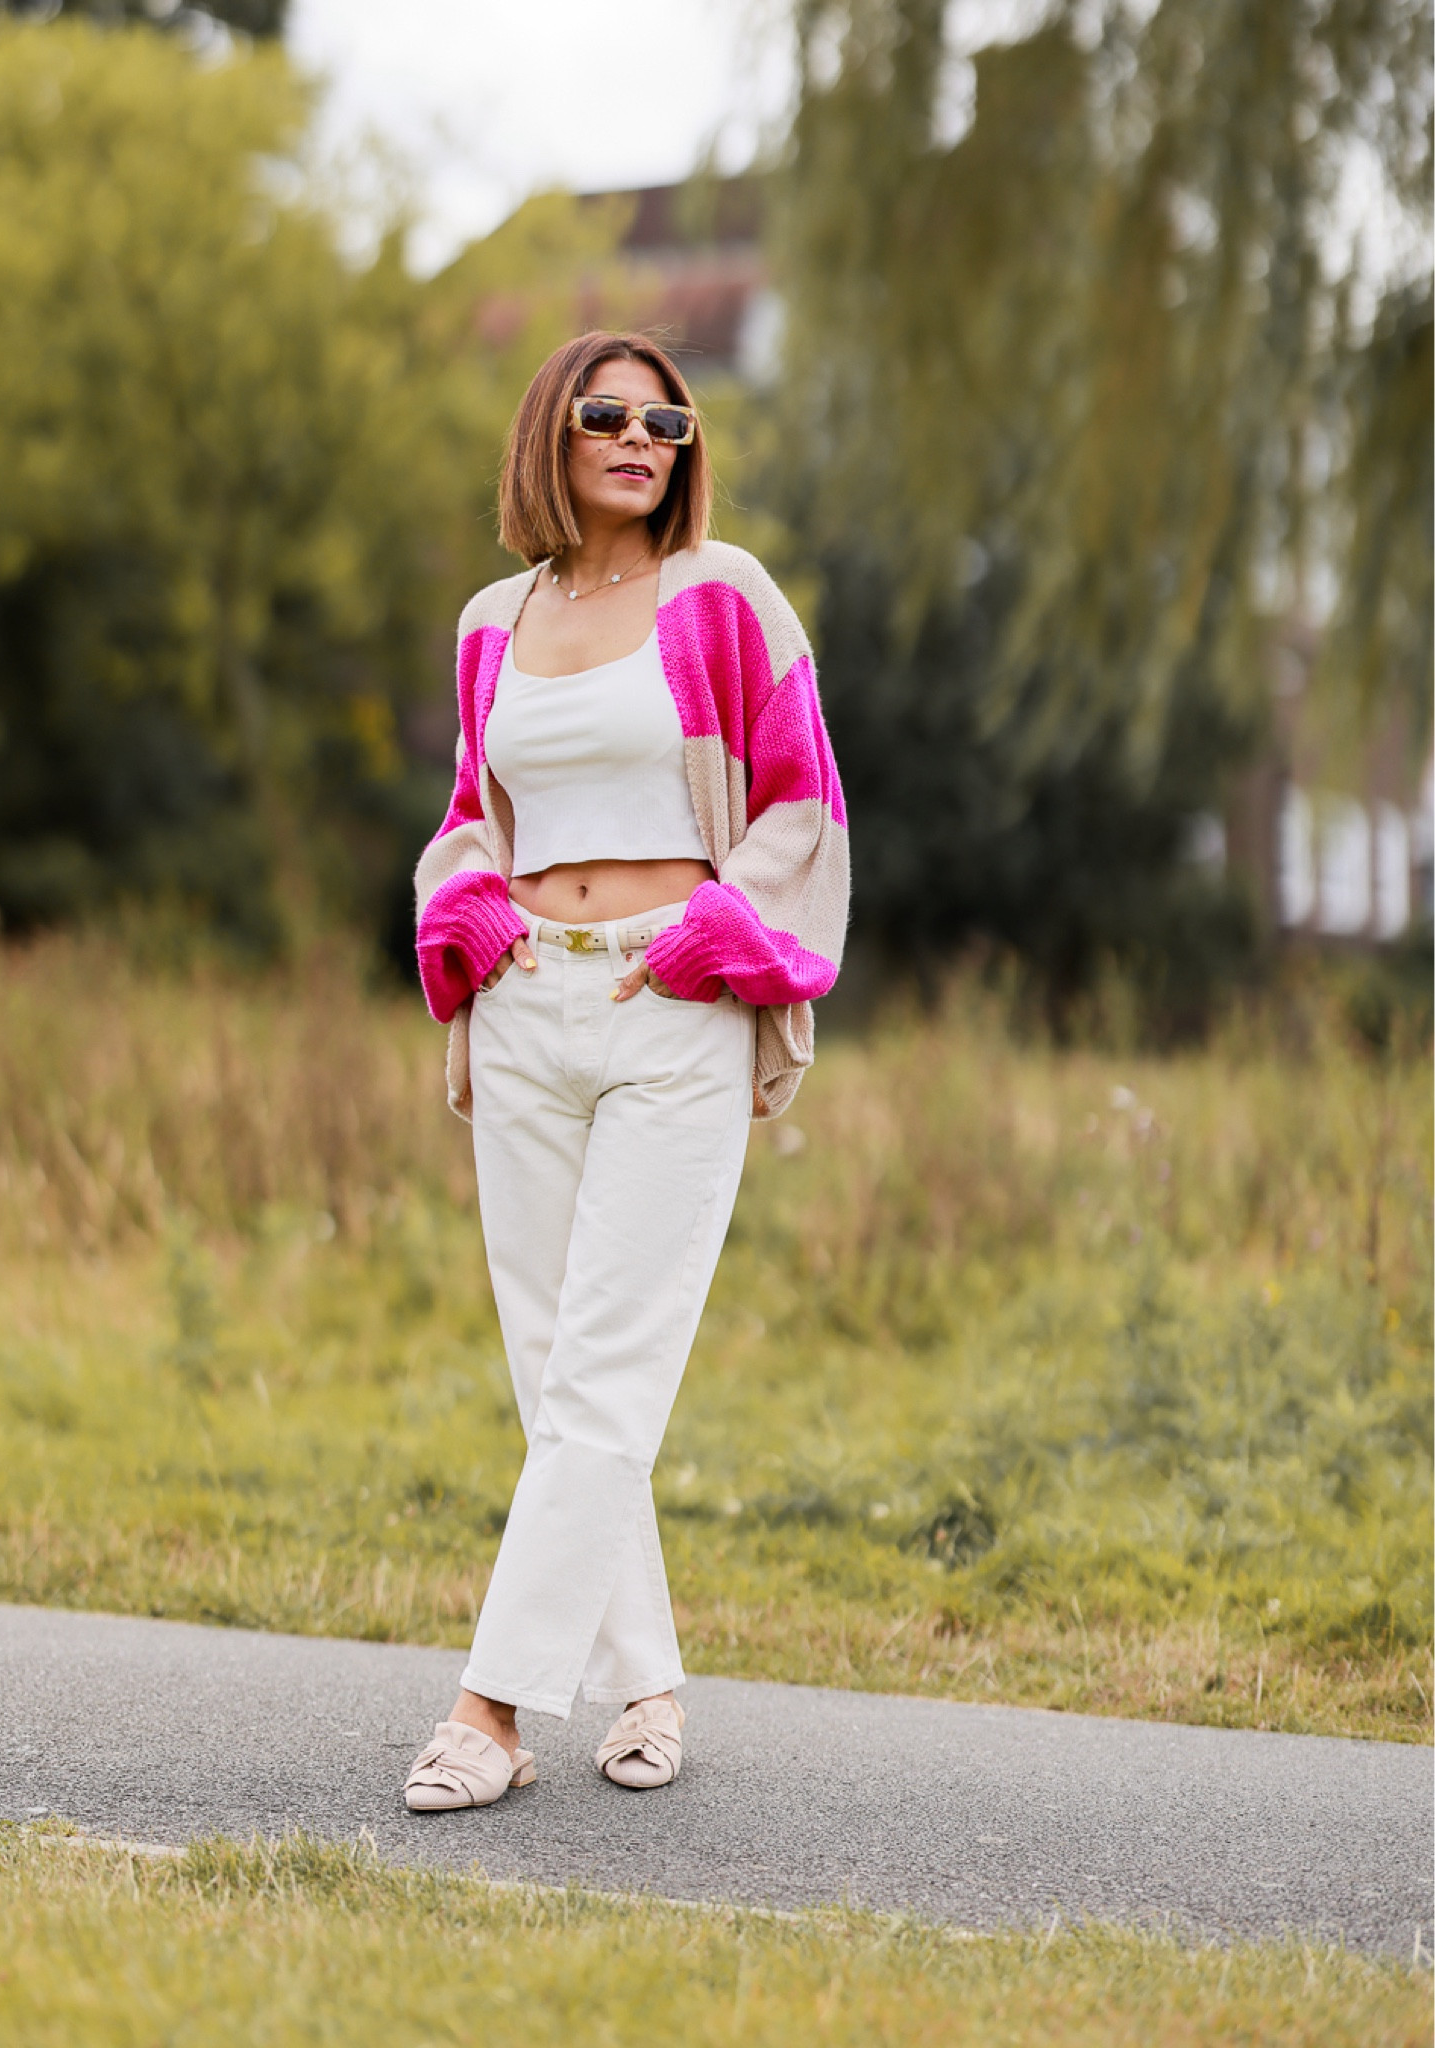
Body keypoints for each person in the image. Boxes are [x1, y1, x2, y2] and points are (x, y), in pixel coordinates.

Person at [404, 331, 848, 1810]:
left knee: (609, 1367)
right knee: (554, 1372)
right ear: (554, 430)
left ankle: (493, 1710)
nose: (641, 436)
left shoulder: (723, 594)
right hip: (530, 1010)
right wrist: (464, 901)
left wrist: (725, 928)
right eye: (610, 412)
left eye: (667, 417)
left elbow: (803, 796)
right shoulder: (492, 621)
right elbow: (476, 809)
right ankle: (645, 1681)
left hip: (675, 1006)